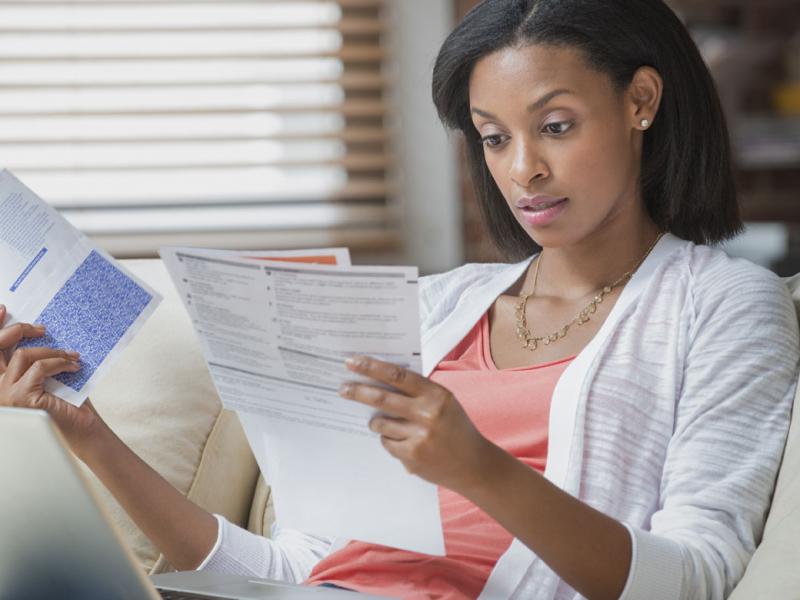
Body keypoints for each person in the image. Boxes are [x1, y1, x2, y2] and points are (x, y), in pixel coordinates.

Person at [1, 0, 798, 598]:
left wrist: (480, 469)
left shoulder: (722, 305)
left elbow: (693, 580)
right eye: (493, 137)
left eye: (554, 126)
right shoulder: (434, 307)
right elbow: (285, 568)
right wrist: (89, 438)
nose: (522, 169)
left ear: (641, 101)